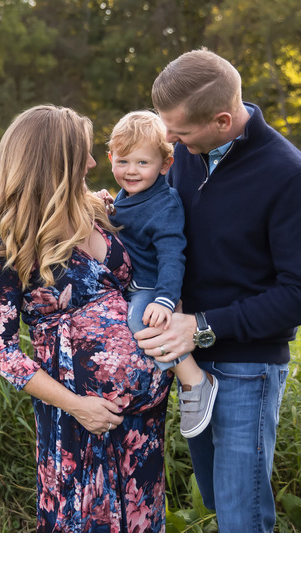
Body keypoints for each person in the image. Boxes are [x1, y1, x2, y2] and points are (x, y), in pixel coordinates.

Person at [135, 49, 301, 532]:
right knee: (218, 500)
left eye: (179, 132)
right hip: (190, 364)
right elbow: (162, 224)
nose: (170, 141)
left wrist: (200, 327)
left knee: (241, 518)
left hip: (246, 367)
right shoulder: (185, 154)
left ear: (223, 120)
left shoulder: (287, 175)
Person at [0, 105, 172, 533]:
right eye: (84, 153)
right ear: (54, 160)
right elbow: (0, 351)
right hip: (79, 420)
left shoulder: (106, 210)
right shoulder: (8, 242)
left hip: (141, 422)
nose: (96, 163)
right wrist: (78, 406)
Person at [105, 110, 218, 438]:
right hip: (134, 281)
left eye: (143, 163)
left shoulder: (164, 205)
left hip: (155, 286)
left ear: (165, 165)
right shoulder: (126, 196)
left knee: (141, 321)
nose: (131, 171)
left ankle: (194, 380)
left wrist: (166, 300)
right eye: (123, 161)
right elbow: (121, 219)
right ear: (111, 159)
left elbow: (172, 257)